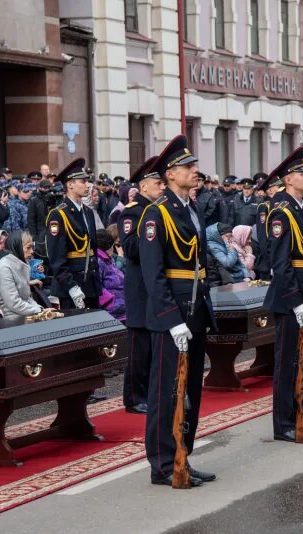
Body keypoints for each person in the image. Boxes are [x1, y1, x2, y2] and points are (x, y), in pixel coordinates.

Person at [138, 135, 216, 487]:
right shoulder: (156, 215)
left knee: (190, 390)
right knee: (166, 390)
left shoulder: (191, 208)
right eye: (189, 167)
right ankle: (163, 463)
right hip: (172, 315)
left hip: (195, 309)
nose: (195, 171)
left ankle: (183, 453)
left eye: (194, 166)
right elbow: (153, 277)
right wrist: (171, 320)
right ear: (171, 174)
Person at [262, 146, 303, 441]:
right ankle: (284, 423)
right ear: (289, 179)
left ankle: (299, 414)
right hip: (290, 297)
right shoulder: (281, 210)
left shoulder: (301, 207)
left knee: (300, 361)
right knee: (287, 361)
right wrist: (296, 300)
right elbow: (280, 263)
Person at [118, 156, 162, 415]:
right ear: (144, 186)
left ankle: (149, 392)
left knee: (153, 346)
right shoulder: (133, 211)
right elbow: (131, 247)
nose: (162, 186)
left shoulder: (157, 210)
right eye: (157, 182)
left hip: (153, 284)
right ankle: (134, 397)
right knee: (139, 347)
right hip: (139, 288)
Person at [45, 158, 100, 310]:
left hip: (90, 282)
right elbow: (57, 258)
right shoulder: (58, 214)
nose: (87, 185)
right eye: (82, 181)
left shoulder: (87, 212)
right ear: (69, 184)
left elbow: (92, 248)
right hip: (70, 285)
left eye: (87, 181)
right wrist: (71, 287)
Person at [0, 230, 43, 319]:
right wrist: (39, 311)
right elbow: (13, 303)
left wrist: (40, 309)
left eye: (32, 247)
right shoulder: (4, 266)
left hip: (25, 313)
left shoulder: (21, 263)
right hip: (10, 318)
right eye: (28, 248)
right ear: (17, 247)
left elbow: (27, 297)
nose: (32, 251)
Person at [254, 173, 284, 281]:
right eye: (278, 187)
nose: (282, 189)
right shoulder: (264, 206)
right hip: (269, 262)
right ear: (270, 190)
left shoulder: (282, 204)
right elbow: (263, 236)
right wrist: (271, 261)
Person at [96, 228, 126, 321]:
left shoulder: (107, 260)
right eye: (113, 245)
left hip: (122, 311)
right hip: (112, 314)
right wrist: (111, 302)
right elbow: (97, 286)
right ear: (108, 246)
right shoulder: (99, 262)